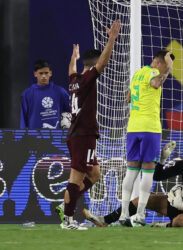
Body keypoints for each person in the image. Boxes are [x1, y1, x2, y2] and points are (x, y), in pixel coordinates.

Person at [57, 19, 121, 230]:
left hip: (79, 134)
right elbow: (102, 63)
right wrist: (111, 39)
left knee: (94, 174)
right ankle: (67, 219)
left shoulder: (74, 80)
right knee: (76, 178)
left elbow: (70, 71)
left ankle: (67, 201)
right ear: (92, 66)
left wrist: (73, 58)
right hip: (83, 135)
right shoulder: (86, 81)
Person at [83, 138, 183, 227]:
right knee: (142, 200)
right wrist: (161, 160)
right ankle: (105, 220)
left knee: (180, 221)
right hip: (180, 205)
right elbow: (157, 176)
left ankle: (165, 225)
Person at [119, 49, 175, 226]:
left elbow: (128, 98)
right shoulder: (152, 72)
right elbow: (156, 84)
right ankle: (141, 214)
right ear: (158, 62)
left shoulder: (137, 74)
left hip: (133, 128)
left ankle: (123, 214)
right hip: (149, 128)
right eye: (164, 65)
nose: (164, 69)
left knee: (131, 172)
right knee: (148, 170)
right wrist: (168, 69)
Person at [20, 60, 70, 129]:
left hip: (56, 137)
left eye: (46, 73)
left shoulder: (60, 91)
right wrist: (23, 136)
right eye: (41, 73)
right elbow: (23, 119)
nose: (43, 76)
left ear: (50, 73)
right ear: (35, 74)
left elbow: (71, 110)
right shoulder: (27, 94)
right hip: (35, 137)